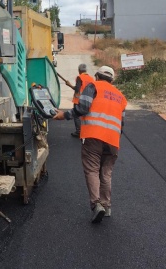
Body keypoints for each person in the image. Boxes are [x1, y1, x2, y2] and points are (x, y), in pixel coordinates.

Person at [53, 65, 127, 223]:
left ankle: (96, 205)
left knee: (92, 170)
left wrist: (63, 115)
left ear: (97, 76)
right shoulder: (121, 96)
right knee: (106, 173)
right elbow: (121, 123)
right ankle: (106, 206)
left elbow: (82, 108)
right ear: (112, 80)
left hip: (94, 136)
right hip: (113, 140)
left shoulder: (93, 86)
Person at [66, 63, 94, 138]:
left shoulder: (79, 77)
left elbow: (77, 89)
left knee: (77, 116)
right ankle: (87, 131)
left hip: (79, 100)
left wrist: (69, 85)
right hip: (88, 101)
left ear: (79, 70)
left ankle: (79, 131)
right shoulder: (91, 78)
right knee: (86, 116)